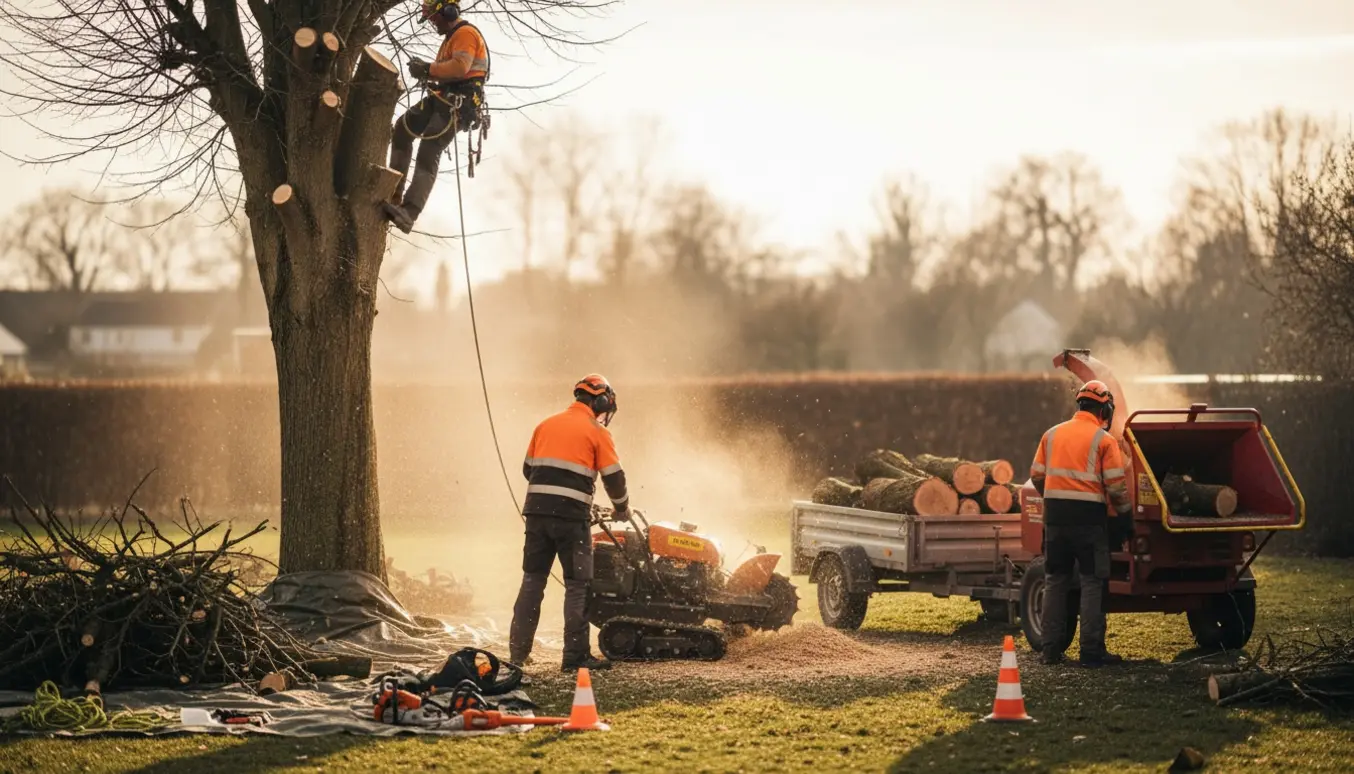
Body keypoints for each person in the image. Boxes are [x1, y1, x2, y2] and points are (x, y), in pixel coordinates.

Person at [509, 374, 629, 672]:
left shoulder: (545, 425)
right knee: (577, 585)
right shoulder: (596, 431)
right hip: (571, 520)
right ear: (600, 401)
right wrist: (621, 509)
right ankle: (575, 657)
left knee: (532, 582)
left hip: (536, 514)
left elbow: (529, 470)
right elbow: (614, 479)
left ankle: (517, 654)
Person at [1029, 379, 1132, 668]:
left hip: (1056, 520)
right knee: (1091, 583)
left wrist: (1053, 498)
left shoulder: (1051, 435)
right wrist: (1125, 518)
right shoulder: (1104, 441)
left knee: (1055, 581)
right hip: (1089, 521)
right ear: (1105, 409)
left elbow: (1036, 474)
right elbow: (1116, 487)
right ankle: (1091, 652)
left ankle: (1050, 651)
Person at [382, 0, 490, 234]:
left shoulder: (466, 34)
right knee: (403, 129)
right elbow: (448, 73)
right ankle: (394, 194)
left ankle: (408, 213)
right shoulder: (450, 39)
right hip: (442, 98)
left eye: (434, 18)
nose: (432, 23)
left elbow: (461, 68)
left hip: (457, 104)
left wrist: (428, 68)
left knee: (428, 151)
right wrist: (425, 71)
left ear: (447, 11)